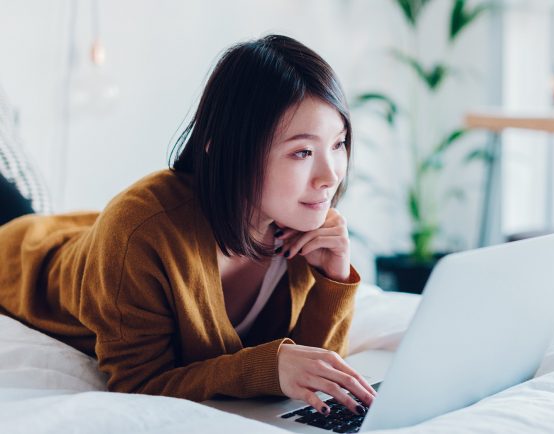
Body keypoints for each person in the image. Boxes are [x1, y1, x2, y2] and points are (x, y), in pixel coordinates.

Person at [0, 34, 376, 417]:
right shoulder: (140, 231)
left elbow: (313, 370)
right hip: (18, 253)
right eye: (303, 152)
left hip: (95, 234)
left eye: (338, 144)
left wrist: (333, 279)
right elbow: (137, 384)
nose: (329, 177)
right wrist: (263, 367)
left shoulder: (302, 225)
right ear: (227, 151)